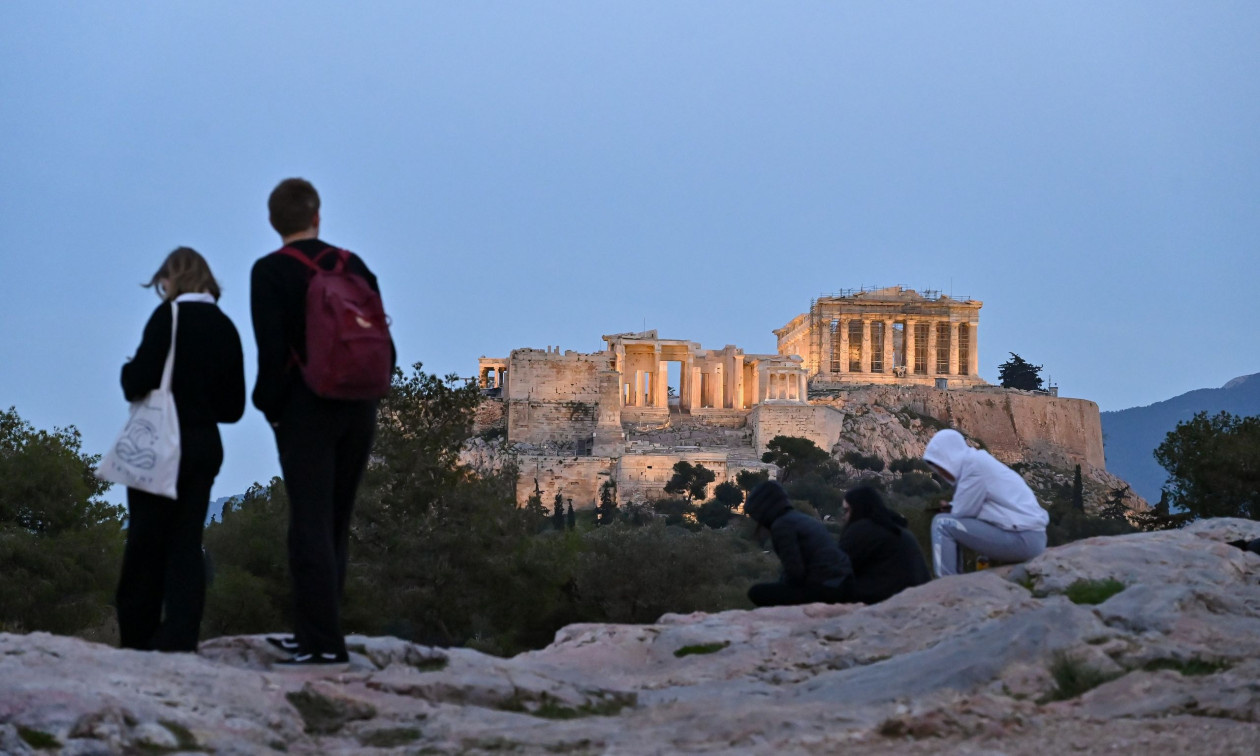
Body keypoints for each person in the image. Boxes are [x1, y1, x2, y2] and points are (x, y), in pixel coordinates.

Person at [251, 178, 392, 666]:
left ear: (274, 222)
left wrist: (273, 410)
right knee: (336, 521)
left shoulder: (270, 271)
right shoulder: (353, 265)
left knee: (307, 523)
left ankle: (321, 644)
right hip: (360, 405)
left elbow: (271, 355)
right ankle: (318, 634)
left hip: (306, 409)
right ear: (317, 216)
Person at [116, 247, 245, 652]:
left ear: (173, 278)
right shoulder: (225, 326)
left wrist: (129, 369)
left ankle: (139, 639)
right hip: (203, 445)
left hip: (158, 445)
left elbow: (135, 382)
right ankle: (181, 635)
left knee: (145, 542)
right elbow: (234, 407)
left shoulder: (168, 318)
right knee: (186, 543)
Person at [922, 428, 1048, 577]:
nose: (941, 473)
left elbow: (962, 512)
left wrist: (952, 509)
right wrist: (952, 507)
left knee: (942, 524)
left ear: (949, 458)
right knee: (949, 521)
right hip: (1030, 536)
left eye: (940, 467)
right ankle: (954, 579)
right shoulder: (977, 461)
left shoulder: (973, 467)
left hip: (1023, 539)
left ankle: (946, 582)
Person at [744, 481, 853, 606]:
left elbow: (794, 572)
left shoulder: (782, 526)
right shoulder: (799, 519)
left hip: (827, 588)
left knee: (756, 592)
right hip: (841, 584)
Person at [837, 485, 931, 603]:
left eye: (846, 510)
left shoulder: (863, 530)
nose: (844, 517)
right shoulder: (895, 527)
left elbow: (837, 566)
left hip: (888, 598)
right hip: (918, 595)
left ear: (857, 509)